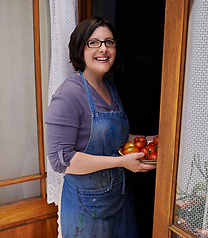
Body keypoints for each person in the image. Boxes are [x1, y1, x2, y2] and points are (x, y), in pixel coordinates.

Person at [45, 16, 156, 238]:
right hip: (85, 206)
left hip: (119, 199)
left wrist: (151, 139)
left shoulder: (111, 89)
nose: (103, 49)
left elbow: (115, 137)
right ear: (80, 49)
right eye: (94, 42)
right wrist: (122, 162)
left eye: (109, 42)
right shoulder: (68, 94)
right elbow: (61, 161)